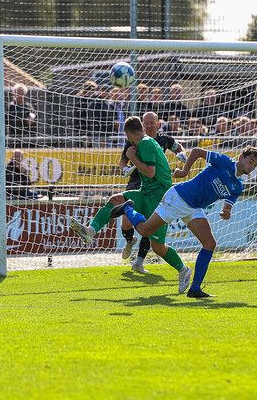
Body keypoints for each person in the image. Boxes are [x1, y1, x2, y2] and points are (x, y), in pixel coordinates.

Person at [110, 146, 257, 298]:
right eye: (250, 161)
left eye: (255, 165)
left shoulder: (237, 187)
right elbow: (197, 151)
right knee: (144, 231)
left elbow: (228, 206)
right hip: (178, 198)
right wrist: (184, 171)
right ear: (241, 157)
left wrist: (226, 213)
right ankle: (128, 208)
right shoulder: (224, 161)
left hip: (194, 207)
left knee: (209, 244)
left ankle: (195, 289)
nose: (251, 167)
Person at [69, 116, 186, 288]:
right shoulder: (142, 142)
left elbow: (151, 172)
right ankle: (90, 231)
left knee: (158, 247)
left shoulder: (145, 143)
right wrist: (127, 163)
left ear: (128, 133)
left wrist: (133, 157)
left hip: (159, 199)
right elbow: (131, 164)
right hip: (145, 193)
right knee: (115, 200)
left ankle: (183, 270)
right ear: (142, 127)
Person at [118, 112, 187, 273]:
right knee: (126, 220)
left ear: (158, 124)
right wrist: (125, 168)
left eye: (151, 123)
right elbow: (122, 161)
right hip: (136, 182)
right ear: (142, 125)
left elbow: (178, 147)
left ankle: (139, 261)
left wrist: (181, 153)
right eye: (146, 123)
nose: (148, 125)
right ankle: (129, 241)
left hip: (155, 186)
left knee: (150, 223)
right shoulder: (133, 141)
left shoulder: (164, 140)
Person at [6, 83, 36, 148]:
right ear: (14, 94)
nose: (20, 95)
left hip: (27, 138)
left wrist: (31, 120)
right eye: (18, 93)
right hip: (14, 138)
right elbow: (8, 122)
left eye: (21, 93)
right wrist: (23, 120)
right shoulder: (10, 106)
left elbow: (33, 118)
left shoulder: (28, 106)